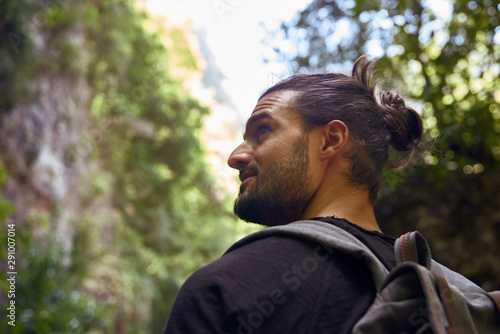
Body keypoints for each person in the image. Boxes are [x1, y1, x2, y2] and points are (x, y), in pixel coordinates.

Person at [164, 55, 423, 333]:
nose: (235, 157)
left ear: (331, 140)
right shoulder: (454, 295)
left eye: (262, 131)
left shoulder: (223, 290)